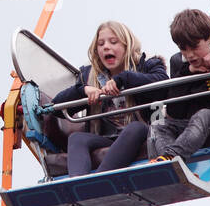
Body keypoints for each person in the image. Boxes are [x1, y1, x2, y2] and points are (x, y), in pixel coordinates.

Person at [52, 21, 167, 176]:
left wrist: (124, 79)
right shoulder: (89, 75)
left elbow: (163, 86)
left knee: (135, 128)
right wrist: (83, 91)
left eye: (113, 42)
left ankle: (98, 180)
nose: (106, 47)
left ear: (127, 46)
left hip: (144, 133)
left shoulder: (147, 65)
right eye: (101, 44)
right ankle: (78, 184)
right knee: (77, 138)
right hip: (108, 137)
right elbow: (57, 108)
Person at [149, 9, 210, 160]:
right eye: (183, 49)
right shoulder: (178, 62)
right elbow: (175, 112)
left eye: (195, 47)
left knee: (203, 115)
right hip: (191, 123)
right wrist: (187, 73)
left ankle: (171, 156)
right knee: (158, 125)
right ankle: (168, 163)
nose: (189, 55)